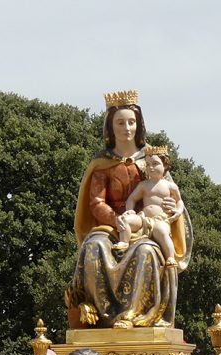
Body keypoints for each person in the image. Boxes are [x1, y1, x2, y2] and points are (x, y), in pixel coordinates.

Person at [70, 90, 192, 329]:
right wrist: (119, 221)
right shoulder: (102, 163)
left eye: (131, 122)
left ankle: (134, 316)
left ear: (139, 125)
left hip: (147, 225)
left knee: (146, 251)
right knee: (94, 246)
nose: (127, 127)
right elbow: (95, 203)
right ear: (110, 127)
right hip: (110, 224)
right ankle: (102, 318)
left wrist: (171, 207)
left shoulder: (151, 160)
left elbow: (172, 193)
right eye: (120, 122)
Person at [115, 146, 185, 264]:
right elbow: (132, 198)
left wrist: (178, 211)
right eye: (147, 165)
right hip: (143, 219)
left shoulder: (170, 186)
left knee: (162, 232)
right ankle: (124, 243)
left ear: (165, 166)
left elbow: (179, 201)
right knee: (125, 220)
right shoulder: (143, 185)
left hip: (160, 220)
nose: (151, 168)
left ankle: (170, 257)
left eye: (155, 164)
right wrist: (130, 210)